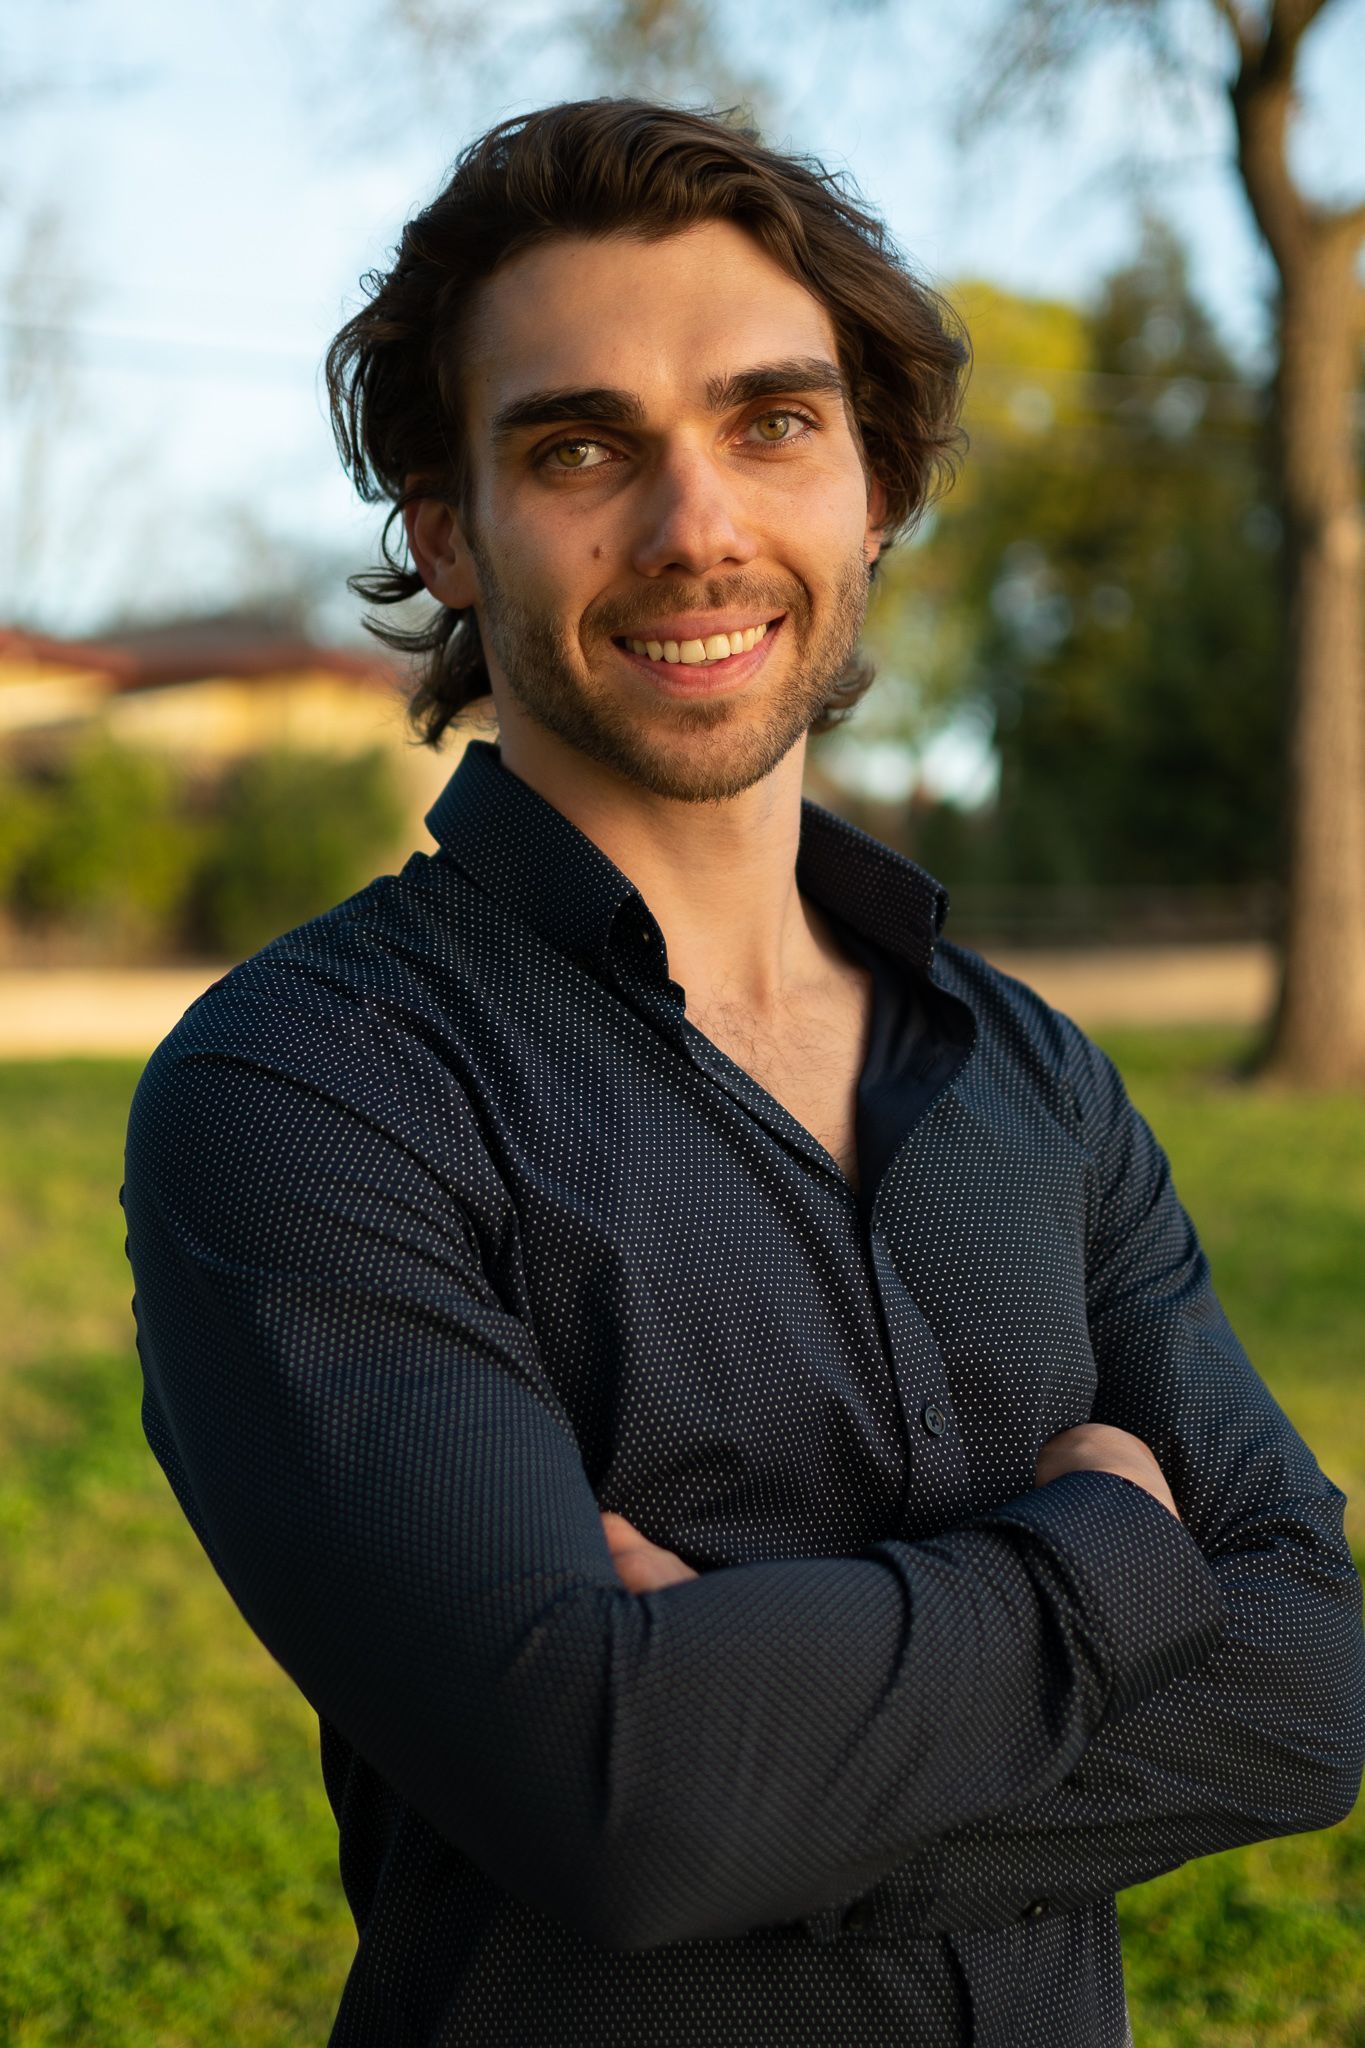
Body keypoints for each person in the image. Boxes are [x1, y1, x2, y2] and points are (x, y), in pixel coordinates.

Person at [121, 98, 1365, 2048]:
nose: (694, 528)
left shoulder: (1032, 1072)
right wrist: (1112, 1561)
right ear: (445, 530)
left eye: (771, 421)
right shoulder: (303, 1091)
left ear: (872, 490)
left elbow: (1304, 1684)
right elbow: (618, 1798)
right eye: (579, 447)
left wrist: (756, 1757)